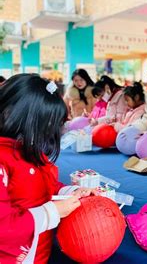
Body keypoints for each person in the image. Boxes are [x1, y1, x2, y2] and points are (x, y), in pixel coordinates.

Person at [0, 74, 98, 263]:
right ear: (12, 115)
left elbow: (44, 186)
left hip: (39, 253)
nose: (49, 134)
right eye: (45, 126)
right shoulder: (4, 161)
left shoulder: (29, 148)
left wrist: (72, 192)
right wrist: (51, 212)